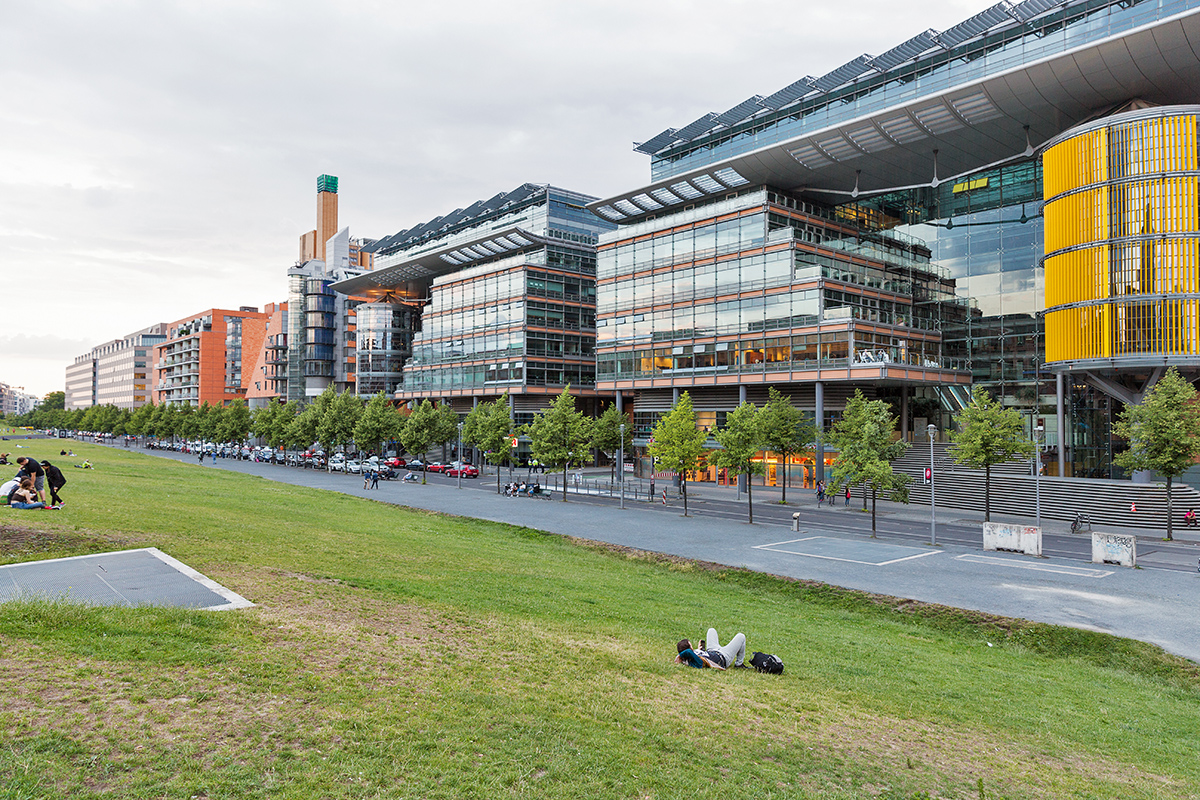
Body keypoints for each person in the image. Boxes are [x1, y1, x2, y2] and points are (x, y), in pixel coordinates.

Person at [674, 628, 747, 670]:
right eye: (691, 645)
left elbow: (693, 653)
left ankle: (739, 664)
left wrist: (699, 650)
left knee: (711, 630)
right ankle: (739, 664)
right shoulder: (693, 661)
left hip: (712, 650)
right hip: (723, 657)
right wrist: (680, 656)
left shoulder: (694, 654)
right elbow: (698, 661)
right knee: (741, 636)